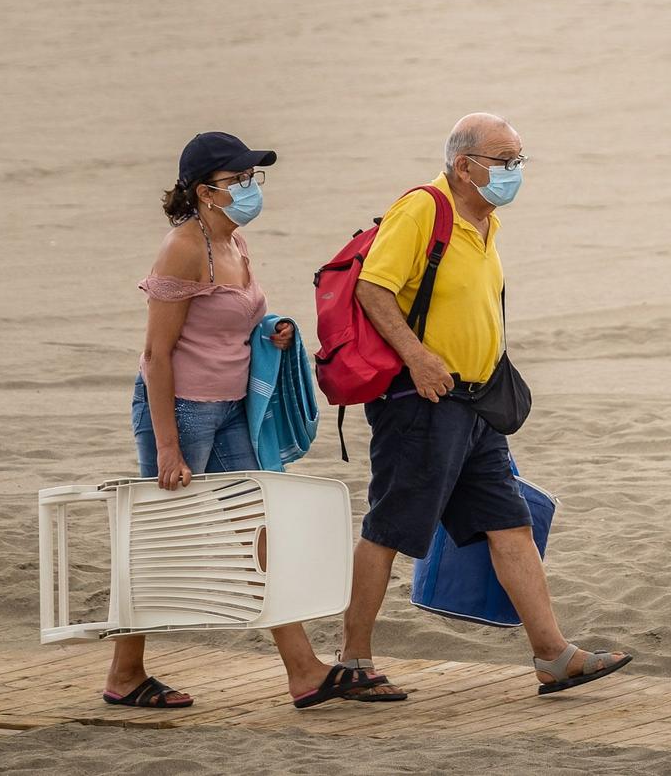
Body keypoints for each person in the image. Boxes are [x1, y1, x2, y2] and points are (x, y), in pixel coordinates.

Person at [105, 132, 403, 712]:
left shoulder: (235, 240)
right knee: (157, 542)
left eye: (252, 178)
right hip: (181, 412)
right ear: (204, 191)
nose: (249, 188)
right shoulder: (183, 248)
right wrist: (168, 447)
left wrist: (271, 333)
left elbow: (228, 321)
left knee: (258, 530)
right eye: (238, 180)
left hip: (232, 410)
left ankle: (303, 671)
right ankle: (125, 673)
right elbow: (155, 355)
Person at [340, 114, 633, 699]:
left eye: (519, 160)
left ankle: (552, 656)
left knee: (511, 524)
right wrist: (418, 356)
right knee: (390, 526)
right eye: (503, 160)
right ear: (463, 164)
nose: (513, 172)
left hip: (475, 406)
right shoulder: (424, 207)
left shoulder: (485, 220)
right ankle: (353, 660)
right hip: (422, 401)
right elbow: (373, 287)